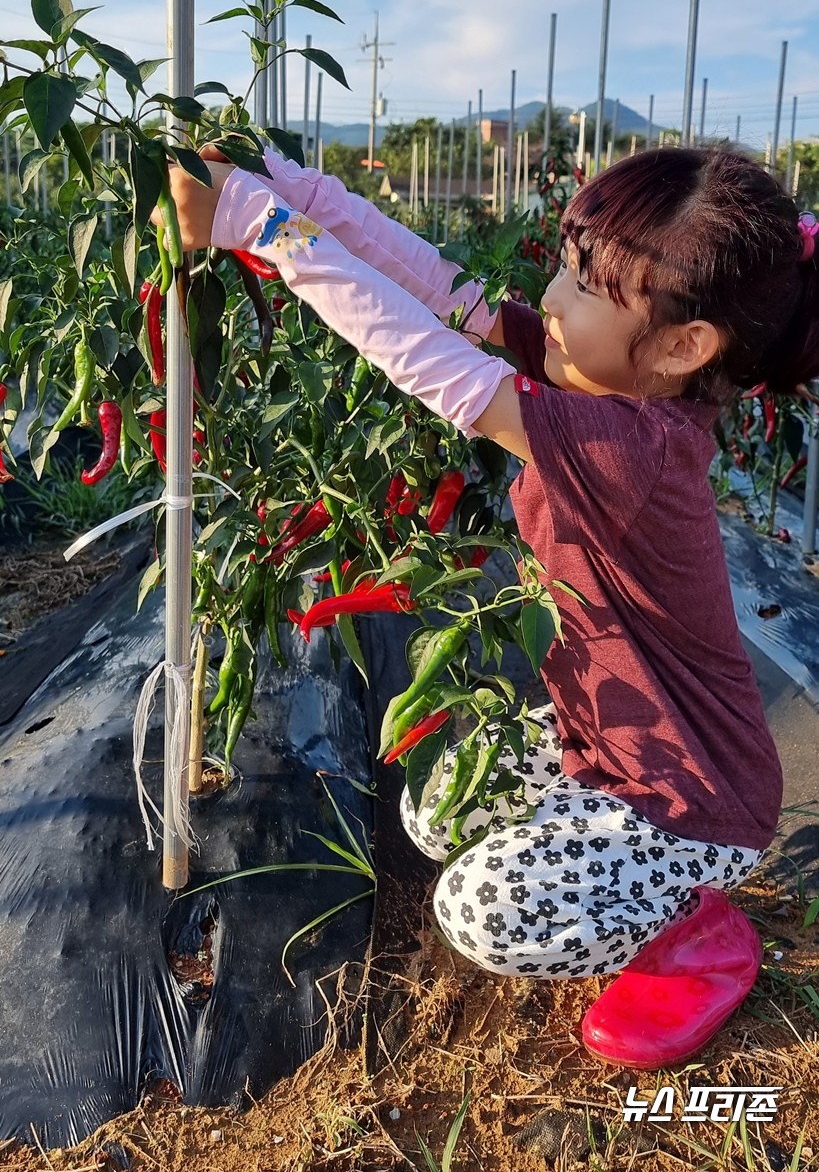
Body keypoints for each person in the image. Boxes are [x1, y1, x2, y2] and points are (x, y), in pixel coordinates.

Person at [160, 144, 816, 1068]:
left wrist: (263, 228)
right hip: (611, 741)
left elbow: (431, 363)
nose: (551, 294)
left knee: (478, 909)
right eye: (566, 263)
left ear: (680, 346)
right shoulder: (600, 380)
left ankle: (697, 938)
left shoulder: (636, 447)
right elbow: (443, 288)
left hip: (696, 801)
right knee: (437, 817)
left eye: (589, 285)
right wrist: (299, 190)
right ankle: (615, 870)